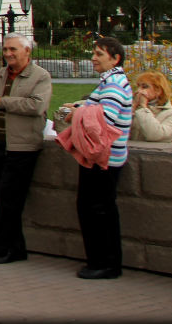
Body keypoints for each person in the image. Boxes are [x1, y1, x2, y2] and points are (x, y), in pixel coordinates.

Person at [0, 32, 51, 265]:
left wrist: (1, 102)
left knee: (9, 199)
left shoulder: (40, 77)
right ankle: (16, 249)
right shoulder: (0, 75)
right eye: (5, 50)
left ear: (27, 51)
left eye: (13, 50)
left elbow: (36, 106)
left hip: (23, 146)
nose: (8, 54)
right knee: (3, 198)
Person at [60, 37, 132, 279]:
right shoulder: (113, 82)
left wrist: (77, 112)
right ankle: (102, 262)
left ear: (115, 58)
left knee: (97, 209)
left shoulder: (112, 85)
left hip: (104, 160)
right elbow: (99, 110)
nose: (93, 58)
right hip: (105, 158)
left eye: (99, 54)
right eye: (94, 53)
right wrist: (82, 106)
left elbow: (104, 121)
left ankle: (105, 264)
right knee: (97, 208)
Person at [129, 70, 172, 142]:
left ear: (158, 91)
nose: (139, 91)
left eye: (144, 87)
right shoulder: (136, 111)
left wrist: (143, 107)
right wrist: (132, 108)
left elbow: (155, 135)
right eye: (138, 86)